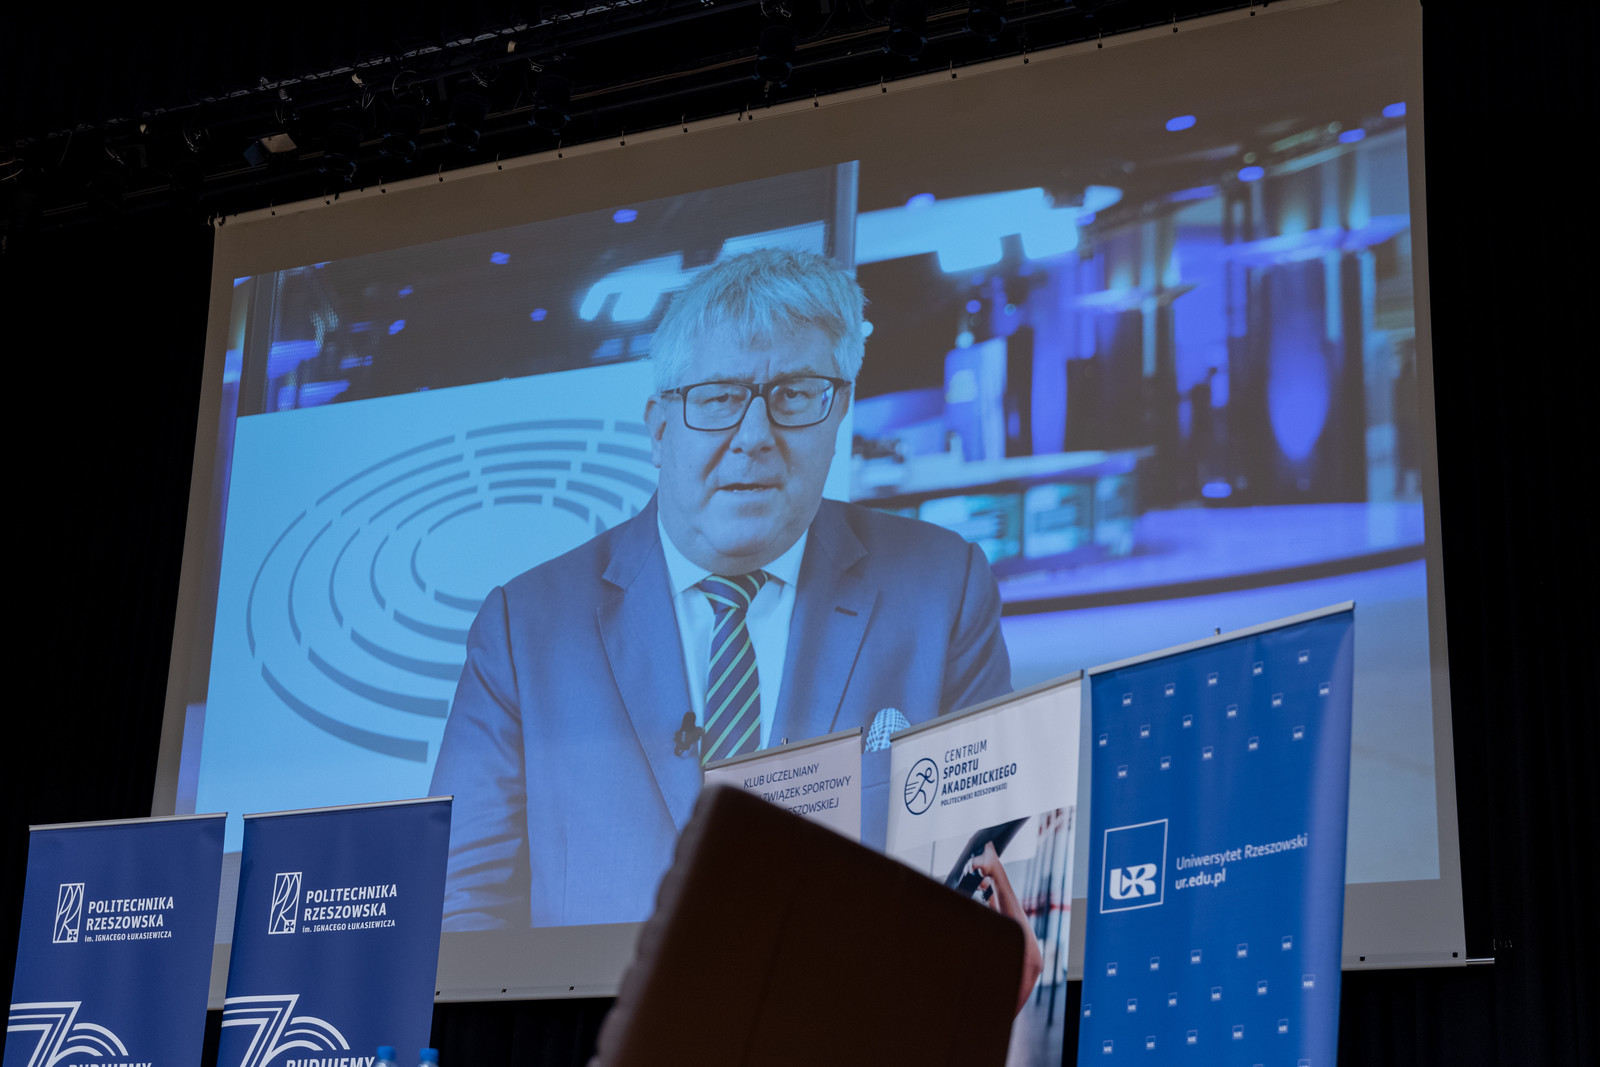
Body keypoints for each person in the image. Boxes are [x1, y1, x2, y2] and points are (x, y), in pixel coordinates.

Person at [430, 247, 1012, 929]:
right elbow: (460, 903)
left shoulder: (943, 590)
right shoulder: (524, 628)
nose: (755, 436)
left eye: (795, 395)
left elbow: (987, 874)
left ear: (839, 412)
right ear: (659, 429)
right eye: (718, 398)